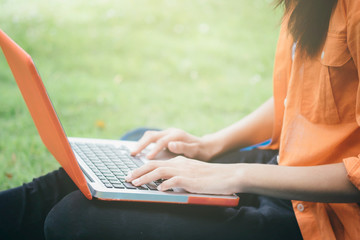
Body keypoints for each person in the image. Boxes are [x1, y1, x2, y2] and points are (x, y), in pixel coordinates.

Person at [1, 0, 360, 239]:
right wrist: (210, 145)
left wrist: (231, 173)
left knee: (72, 219)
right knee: (136, 152)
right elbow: (299, 98)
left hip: (326, 218)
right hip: (284, 170)